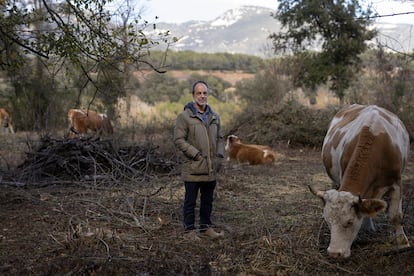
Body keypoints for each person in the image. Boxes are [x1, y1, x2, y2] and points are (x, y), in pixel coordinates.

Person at [174, 80, 225, 239]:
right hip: (193, 167)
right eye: (199, 93)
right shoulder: (184, 117)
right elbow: (179, 140)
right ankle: (189, 231)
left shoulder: (214, 116)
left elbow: (220, 138)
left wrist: (219, 157)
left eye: (205, 93)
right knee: (190, 201)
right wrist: (195, 154)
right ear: (193, 95)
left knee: (208, 200)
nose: (202, 96)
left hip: (211, 167)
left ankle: (205, 228)